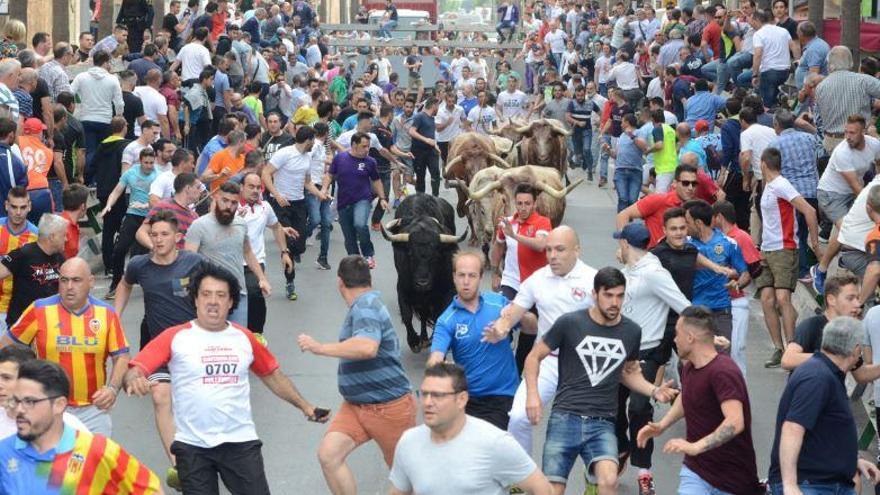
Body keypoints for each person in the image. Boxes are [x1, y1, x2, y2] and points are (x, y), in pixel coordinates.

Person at [125, 262, 326, 495]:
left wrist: (306, 406)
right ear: (196, 300)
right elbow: (136, 368)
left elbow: (272, 375)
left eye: (221, 295)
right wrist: (134, 378)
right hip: (192, 447)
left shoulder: (244, 338)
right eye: (206, 294)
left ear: (230, 302)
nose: (213, 301)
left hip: (240, 442)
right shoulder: (175, 336)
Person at [524, 266, 678, 494]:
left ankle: (593, 478)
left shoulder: (632, 331)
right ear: (594, 294)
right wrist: (533, 395)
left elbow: (628, 373)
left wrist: (654, 391)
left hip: (602, 422)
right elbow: (534, 356)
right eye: (608, 295)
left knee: (608, 481)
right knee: (553, 489)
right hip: (565, 416)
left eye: (619, 295)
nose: (615, 302)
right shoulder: (570, 323)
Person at [297, 255, 415, 495]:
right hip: (355, 406)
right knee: (329, 456)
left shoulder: (366, 306)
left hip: (389, 408)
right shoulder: (365, 304)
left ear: (339, 282)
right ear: (368, 279)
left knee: (407, 480)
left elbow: (366, 347)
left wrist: (319, 348)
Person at [484, 226, 597, 455]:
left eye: (560, 250)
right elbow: (513, 311)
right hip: (546, 361)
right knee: (517, 418)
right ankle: (523, 475)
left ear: (577, 250)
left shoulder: (593, 279)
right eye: (549, 250)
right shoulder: (538, 279)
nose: (552, 256)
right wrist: (501, 328)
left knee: (590, 426)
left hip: (584, 365)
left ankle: (593, 478)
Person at [637, 306, 764, 495]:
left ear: (690, 337)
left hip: (732, 478)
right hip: (696, 471)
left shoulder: (723, 371)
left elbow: (735, 422)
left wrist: (696, 446)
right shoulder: (690, 368)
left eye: (677, 334)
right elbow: (687, 397)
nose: (674, 339)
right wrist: (662, 425)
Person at [3, 257, 131, 436]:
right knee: (50, 463)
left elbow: (122, 356)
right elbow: (6, 348)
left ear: (91, 282)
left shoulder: (106, 314)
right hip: (47, 408)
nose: (69, 286)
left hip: (93, 411)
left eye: (76, 280)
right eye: (64, 280)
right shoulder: (39, 310)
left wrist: (112, 389)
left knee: (94, 463)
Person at [389, 363, 552, 495]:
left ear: (461, 399)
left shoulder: (495, 443)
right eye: (424, 394)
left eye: (438, 395)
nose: (427, 402)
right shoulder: (409, 442)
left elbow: (543, 490)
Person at [0, 359, 161, 492]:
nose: (19, 409)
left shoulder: (98, 450)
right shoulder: (3, 454)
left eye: (29, 402)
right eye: (16, 401)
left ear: (59, 404)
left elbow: (152, 490)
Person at [615, 222, 691, 491]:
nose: (618, 248)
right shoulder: (625, 273)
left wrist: (706, 335)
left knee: (638, 408)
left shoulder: (654, 273)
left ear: (625, 244)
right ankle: (622, 448)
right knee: (611, 411)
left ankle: (644, 471)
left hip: (646, 353)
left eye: (619, 243)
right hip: (619, 356)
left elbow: (683, 305)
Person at [767, 317, 880, 494]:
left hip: (826, 482)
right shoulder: (817, 377)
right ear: (855, 349)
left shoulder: (828, 374)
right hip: (811, 484)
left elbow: (827, 431)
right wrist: (790, 485)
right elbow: (792, 428)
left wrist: (854, 459)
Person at [427, 251, 519, 430]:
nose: (466, 281)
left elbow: (531, 326)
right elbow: (435, 357)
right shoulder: (446, 320)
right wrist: (438, 368)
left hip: (505, 396)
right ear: (454, 277)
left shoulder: (498, 303)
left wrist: (508, 320)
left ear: (481, 277)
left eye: (472, 275)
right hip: (468, 401)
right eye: (461, 275)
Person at [756, 147, 820, 368]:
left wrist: (814, 243)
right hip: (768, 249)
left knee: (783, 299)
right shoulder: (768, 186)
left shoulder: (782, 184)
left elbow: (809, 211)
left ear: (763, 164)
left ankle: (793, 348)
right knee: (767, 299)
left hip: (785, 248)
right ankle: (778, 348)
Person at [185, 182, 270, 327]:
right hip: (210, 296)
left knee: (236, 343)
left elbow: (248, 252)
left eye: (233, 203)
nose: (228, 206)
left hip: (238, 294)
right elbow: (187, 260)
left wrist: (262, 278)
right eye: (225, 201)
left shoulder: (241, 224)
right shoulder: (199, 225)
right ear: (216, 198)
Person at [811, 115, 880, 292]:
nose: (847, 136)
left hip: (851, 193)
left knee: (846, 228)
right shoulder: (842, 152)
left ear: (863, 132)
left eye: (852, 133)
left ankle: (845, 263)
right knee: (846, 229)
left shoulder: (874, 145)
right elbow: (857, 188)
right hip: (831, 194)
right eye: (846, 132)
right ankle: (821, 269)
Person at [489, 184, 551, 373]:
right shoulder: (506, 223)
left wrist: (514, 235)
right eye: (519, 203)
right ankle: (503, 361)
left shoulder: (543, 223)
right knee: (500, 317)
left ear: (534, 204)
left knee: (530, 328)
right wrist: (494, 272)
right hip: (511, 283)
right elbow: (498, 247)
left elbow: (540, 245)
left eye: (527, 204)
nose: (523, 208)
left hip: (536, 288)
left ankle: (518, 367)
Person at [262, 126, 326, 299]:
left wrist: (321, 194)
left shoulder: (307, 157)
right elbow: (266, 174)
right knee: (288, 245)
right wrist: (277, 195)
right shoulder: (285, 153)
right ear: (309, 140)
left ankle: (292, 252)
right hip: (281, 204)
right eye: (314, 141)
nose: (314, 144)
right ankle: (290, 282)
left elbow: (307, 182)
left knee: (300, 246)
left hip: (299, 204)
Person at [683, 200, 749, 344]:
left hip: (721, 311)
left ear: (698, 223)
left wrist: (738, 284)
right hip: (694, 311)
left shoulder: (728, 243)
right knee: (692, 359)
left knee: (722, 357)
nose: (684, 227)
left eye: (687, 222)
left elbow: (745, 273)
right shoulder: (684, 244)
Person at [238, 172, 297, 335]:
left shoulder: (265, 207)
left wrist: (284, 252)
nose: (255, 190)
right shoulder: (231, 206)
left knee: (255, 294)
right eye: (251, 186)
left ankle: (256, 335)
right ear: (241, 188)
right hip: (231, 262)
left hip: (254, 263)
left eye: (258, 187)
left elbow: (276, 226)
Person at [711, 200, 762, 377]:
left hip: (736, 303)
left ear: (718, 217)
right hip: (716, 304)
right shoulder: (714, 239)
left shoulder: (740, 237)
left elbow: (750, 270)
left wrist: (737, 283)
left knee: (735, 350)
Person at [328, 132, 388, 269]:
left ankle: (368, 254)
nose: (367, 149)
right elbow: (330, 175)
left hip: (363, 200)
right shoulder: (340, 159)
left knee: (360, 224)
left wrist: (383, 198)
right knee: (349, 237)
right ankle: (355, 260)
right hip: (343, 202)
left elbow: (376, 180)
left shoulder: (370, 162)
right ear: (354, 145)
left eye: (368, 147)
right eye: (364, 146)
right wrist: (324, 189)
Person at [781, 274, 864, 370]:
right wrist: (831, 358)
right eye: (850, 298)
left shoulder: (850, 331)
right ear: (831, 300)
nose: (858, 304)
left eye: (858, 298)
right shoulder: (812, 325)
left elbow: (860, 375)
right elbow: (787, 360)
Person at [0, 213, 66, 327]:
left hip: (48, 324)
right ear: (52, 237)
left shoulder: (60, 258)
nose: (66, 238)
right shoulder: (23, 254)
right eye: (63, 235)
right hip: (21, 326)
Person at [617, 164, 699, 248]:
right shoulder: (659, 200)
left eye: (694, 184)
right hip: (653, 257)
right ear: (674, 183)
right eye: (685, 183)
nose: (690, 187)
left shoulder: (696, 207)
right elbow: (623, 215)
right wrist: (624, 247)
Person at [70, 50, 124, 168]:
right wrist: (119, 116)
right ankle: (98, 179)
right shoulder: (113, 79)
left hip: (85, 118)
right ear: (105, 63)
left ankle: (87, 178)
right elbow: (119, 103)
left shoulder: (81, 77)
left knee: (88, 151)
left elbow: (69, 93)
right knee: (103, 152)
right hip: (105, 120)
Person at [749, 9, 799, 108]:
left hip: (769, 72)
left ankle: (771, 116)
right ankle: (780, 100)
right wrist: (798, 63)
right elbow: (794, 47)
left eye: (753, 21)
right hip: (785, 72)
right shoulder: (783, 31)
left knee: (767, 104)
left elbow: (758, 55)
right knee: (774, 98)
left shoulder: (759, 34)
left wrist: (755, 74)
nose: (752, 24)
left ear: (758, 20)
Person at [409, 97, 441, 197]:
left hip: (431, 151)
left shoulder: (432, 118)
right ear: (434, 105)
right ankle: (420, 199)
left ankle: (435, 198)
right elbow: (411, 131)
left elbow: (430, 135)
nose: (438, 109)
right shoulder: (420, 116)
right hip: (419, 151)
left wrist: (435, 145)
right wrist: (426, 140)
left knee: (435, 173)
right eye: (438, 106)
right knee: (420, 176)